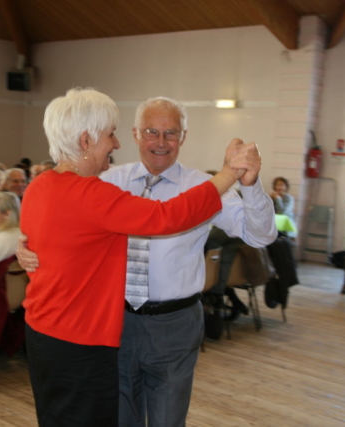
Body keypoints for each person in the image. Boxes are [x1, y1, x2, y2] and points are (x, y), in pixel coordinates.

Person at [18, 95, 276, 427]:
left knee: (167, 421)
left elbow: (261, 236)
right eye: (151, 131)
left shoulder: (203, 186)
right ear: (136, 134)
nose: (161, 141)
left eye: (171, 133)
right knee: (119, 420)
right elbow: (159, 217)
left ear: (183, 137)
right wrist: (24, 245)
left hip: (174, 324)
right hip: (114, 323)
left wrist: (250, 186)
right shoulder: (105, 181)